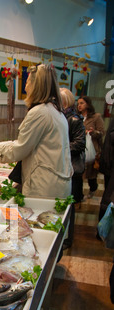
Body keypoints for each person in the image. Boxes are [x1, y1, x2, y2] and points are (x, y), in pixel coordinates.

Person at [0, 63, 73, 198]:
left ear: (36, 85)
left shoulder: (40, 112)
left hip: (44, 186)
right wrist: (0, 147)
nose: (25, 86)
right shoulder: (55, 110)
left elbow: (20, 148)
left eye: (27, 82)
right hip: (56, 183)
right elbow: (29, 143)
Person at [60, 88, 86, 248]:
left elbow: (79, 144)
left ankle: (68, 239)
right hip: (64, 166)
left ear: (64, 102)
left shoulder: (74, 119)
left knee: (70, 204)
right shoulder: (61, 117)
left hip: (72, 168)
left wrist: (59, 147)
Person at [77, 95, 105, 198]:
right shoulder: (77, 117)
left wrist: (93, 132)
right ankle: (79, 194)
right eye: (78, 103)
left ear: (88, 104)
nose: (79, 105)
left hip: (92, 148)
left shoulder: (96, 117)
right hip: (80, 148)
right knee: (80, 173)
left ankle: (93, 189)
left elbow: (102, 132)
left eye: (82, 103)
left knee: (91, 174)